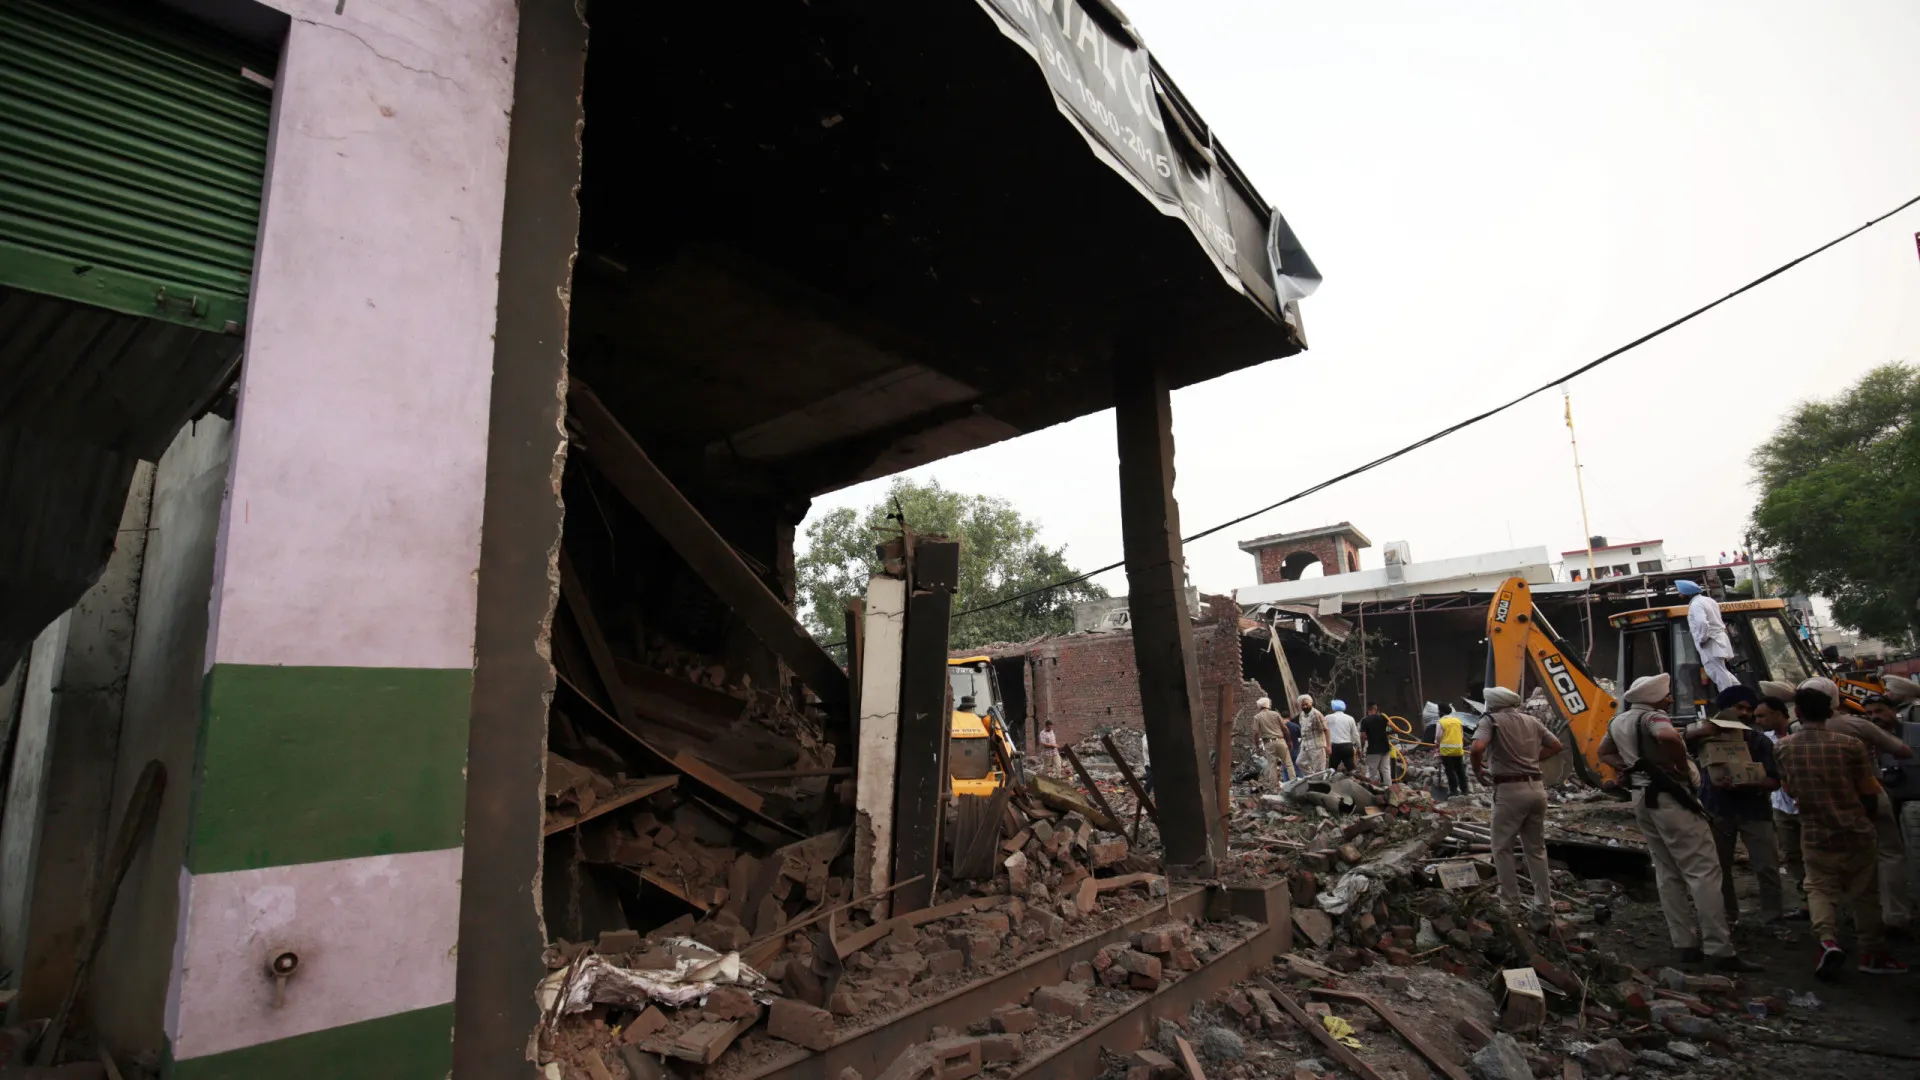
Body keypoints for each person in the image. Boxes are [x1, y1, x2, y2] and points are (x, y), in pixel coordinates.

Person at [1599, 673, 1761, 971]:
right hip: (1671, 797)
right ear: (1655, 698)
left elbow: (1604, 753)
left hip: (1642, 798)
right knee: (1703, 872)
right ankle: (1719, 948)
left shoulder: (1617, 722)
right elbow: (1668, 736)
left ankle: (1684, 944)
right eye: (1666, 695)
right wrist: (1678, 765)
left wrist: (1631, 767)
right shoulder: (1653, 718)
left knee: (1667, 872)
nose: (1669, 699)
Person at [1774, 686, 1908, 978]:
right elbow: (1869, 789)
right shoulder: (1849, 744)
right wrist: (1868, 819)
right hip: (1855, 828)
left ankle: (1827, 940)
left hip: (1813, 831)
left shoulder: (1784, 746)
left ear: (1797, 713)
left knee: (1819, 887)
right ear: (1831, 712)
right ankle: (1872, 953)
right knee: (1864, 892)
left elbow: (1788, 787)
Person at [1809, 678, 1914, 934]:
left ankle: (1846, 918)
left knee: (1838, 862)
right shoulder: (1855, 724)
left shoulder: (1796, 735)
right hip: (1869, 795)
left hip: (1827, 803)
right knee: (1889, 854)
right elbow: (1903, 751)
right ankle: (1894, 916)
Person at [1684, 686, 1782, 924]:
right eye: (1738, 707)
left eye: (1749, 709)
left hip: (1755, 811)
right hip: (1716, 810)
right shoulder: (1704, 737)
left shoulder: (1758, 741)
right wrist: (1702, 731)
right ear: (1723, 709)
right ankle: (1728, 916)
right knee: (1719, 866)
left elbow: (1775, 781)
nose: (1745, 713)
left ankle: (1773, 917)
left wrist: (1747, 781)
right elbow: (1677, 744)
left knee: (1767, 866)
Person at [1470, 686, 1564, 911]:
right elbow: (1557, 746)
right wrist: (1532, 758)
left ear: (1491, 704)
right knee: (1536, 849)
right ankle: (1544, 903)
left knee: (1502, 847)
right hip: (1537, 789)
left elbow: (1477, 748)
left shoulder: (1490, 720)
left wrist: (1478, 771)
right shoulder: (1531, 721)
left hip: (1510, 790)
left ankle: (1510, 902)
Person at [1755, 695, 1808, 920]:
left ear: (1778, 714)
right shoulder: (1764, 740)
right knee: (1792, 855)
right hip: (1782, 806)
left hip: (1808, 804)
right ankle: (1807, 904)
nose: (1758, 720)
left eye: (1762, 716)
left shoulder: (1802, 734)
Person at [1675, 580, 1740, 693]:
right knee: (1721, 671)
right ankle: (1741, 693)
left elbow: (1703, 623)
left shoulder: (1696, 605)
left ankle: (1730, 700)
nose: (1679, 595)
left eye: (1680, 593)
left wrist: (1702, 639)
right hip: (1717, 639)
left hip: (1710, 642)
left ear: (1686, 593)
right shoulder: (1709, 600)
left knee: (1717, 672)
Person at [1252, 696, 1294, 783]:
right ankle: (1294, 783)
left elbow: (1256, 732)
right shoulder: (1275, 714)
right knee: (1288, 764)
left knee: (1272, 765)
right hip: (1280, 740)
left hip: (1268, 743)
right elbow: (1285, 728)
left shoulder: (1257, 717)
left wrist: (1257, 746)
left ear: (1259, 706)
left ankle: (1274, 787)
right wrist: (1289, 741)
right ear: (1268, 705)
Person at [1436, 705, 1470, 797]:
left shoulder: (1441, 722)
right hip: (1458, 750)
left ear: (1441, 712)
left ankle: (1454, 790)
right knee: (1460, 770)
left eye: (1438, 711)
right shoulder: (1457, 721)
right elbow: (1462, 735)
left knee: (1450, 771)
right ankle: (1464, 790)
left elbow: (1438, 736)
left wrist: (1437, 744)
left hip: (1446, 751)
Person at [1295, 695, 1329, 774]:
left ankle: (1319, 783)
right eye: (1303, 705)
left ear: (1311, 703)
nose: (1305, 706)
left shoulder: (1316, 714)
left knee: (1319, 769)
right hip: (1305, 746)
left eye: (1306, 704)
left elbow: (1326, 729)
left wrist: (1328, 745)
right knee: (1299, 762)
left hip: (1317, 746)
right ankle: (1313, 778)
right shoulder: (1302, 715)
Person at [1361, 703, 1394, 784]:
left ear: (1369, 710)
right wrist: (1385, 733)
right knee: (1386, 769)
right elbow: (1393, 728)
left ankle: (1369, 789)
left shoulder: (1365, 720)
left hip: (1373, 750)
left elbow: (1363, 736)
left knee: (1371, 772)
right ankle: (1389, 788)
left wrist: (1362, 748)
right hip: (1385, 748)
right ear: (1376, 709)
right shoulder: (1383, 718)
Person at [1325, 699, 1360, 775]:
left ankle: (1331, 785)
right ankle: (1356, 783)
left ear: (1333, 708)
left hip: (1334, 746)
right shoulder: (1350, 718)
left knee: (1332, 770)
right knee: (1351, 769)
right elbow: (1355, 734)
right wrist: (1359, 746)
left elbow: (1323, 731)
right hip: (1347, 746)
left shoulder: (1328, 718)